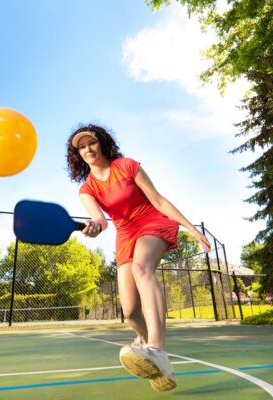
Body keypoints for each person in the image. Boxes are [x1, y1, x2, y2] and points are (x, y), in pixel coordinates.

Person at [66, 124, 210, 391]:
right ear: (77, 154)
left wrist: (192, 229)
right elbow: (100, 219)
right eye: (81, 147)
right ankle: (155, 358)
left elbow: (158, 200)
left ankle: (156, 348)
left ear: (102, 143)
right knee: (130, 311)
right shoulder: (86, 189)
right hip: (125, 233)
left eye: (91, 143)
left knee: (142, 268)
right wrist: (95, 226)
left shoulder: (127, 166)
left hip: (151, 221)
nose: (87, 149)